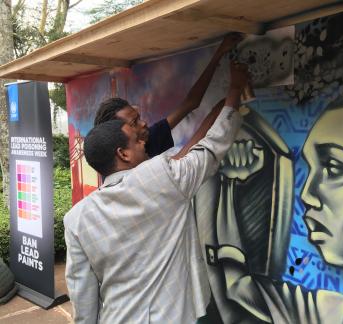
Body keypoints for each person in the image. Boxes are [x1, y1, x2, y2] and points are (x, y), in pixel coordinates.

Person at [198, 75, 343, 323]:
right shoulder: (330, 313)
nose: (307, 195)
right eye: (312, 169)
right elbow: (239, 289)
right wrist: (231, 183)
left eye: (333, 168)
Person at [64, 61, 249, 323]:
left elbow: (83, 298)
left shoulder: (75, 220)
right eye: (135, 132)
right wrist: (234, 93)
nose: (144, 135)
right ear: (123, 153)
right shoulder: (162, 177)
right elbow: (210, 147)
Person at [93, 33, 243, 158]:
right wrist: (232, 95)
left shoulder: (147, 138)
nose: (144, 123)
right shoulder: (133, 174)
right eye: (134, 123)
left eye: (138, 117)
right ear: (120, 149)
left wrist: (217, 55)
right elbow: (182, 162)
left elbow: (191, 103)